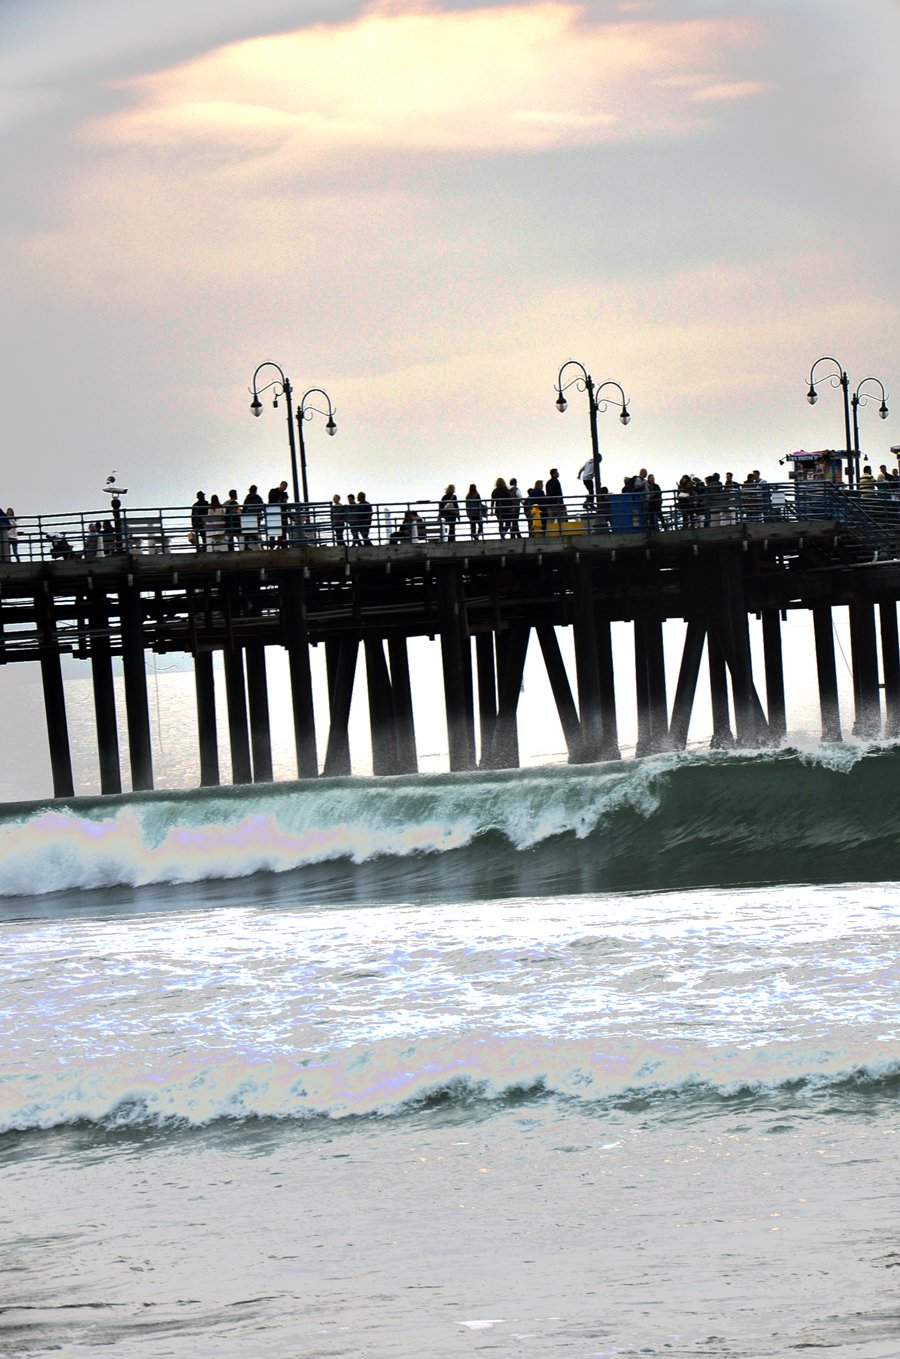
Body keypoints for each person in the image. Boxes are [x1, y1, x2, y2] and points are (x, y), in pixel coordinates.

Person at [242, 484, 264, 548]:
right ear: (256, 490)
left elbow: (244, 508)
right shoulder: (258, 498)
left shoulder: (247, 498)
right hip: (257, 518)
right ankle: (256, 540)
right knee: (253, 530)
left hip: (248, 518)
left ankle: (246, 546)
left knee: (247, 530)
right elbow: (262, 507)